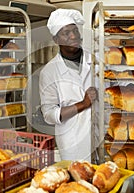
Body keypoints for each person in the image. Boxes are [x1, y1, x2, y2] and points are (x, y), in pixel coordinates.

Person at [39, 8, 97, 162]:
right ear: (56, 39)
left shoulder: (97, 61)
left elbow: (120, 84)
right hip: (73, 142)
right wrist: (83, 104)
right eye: (66, 33)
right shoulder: (49, 72)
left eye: (75, 31)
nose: (73, 36)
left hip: (103, 137)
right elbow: (49, 114)